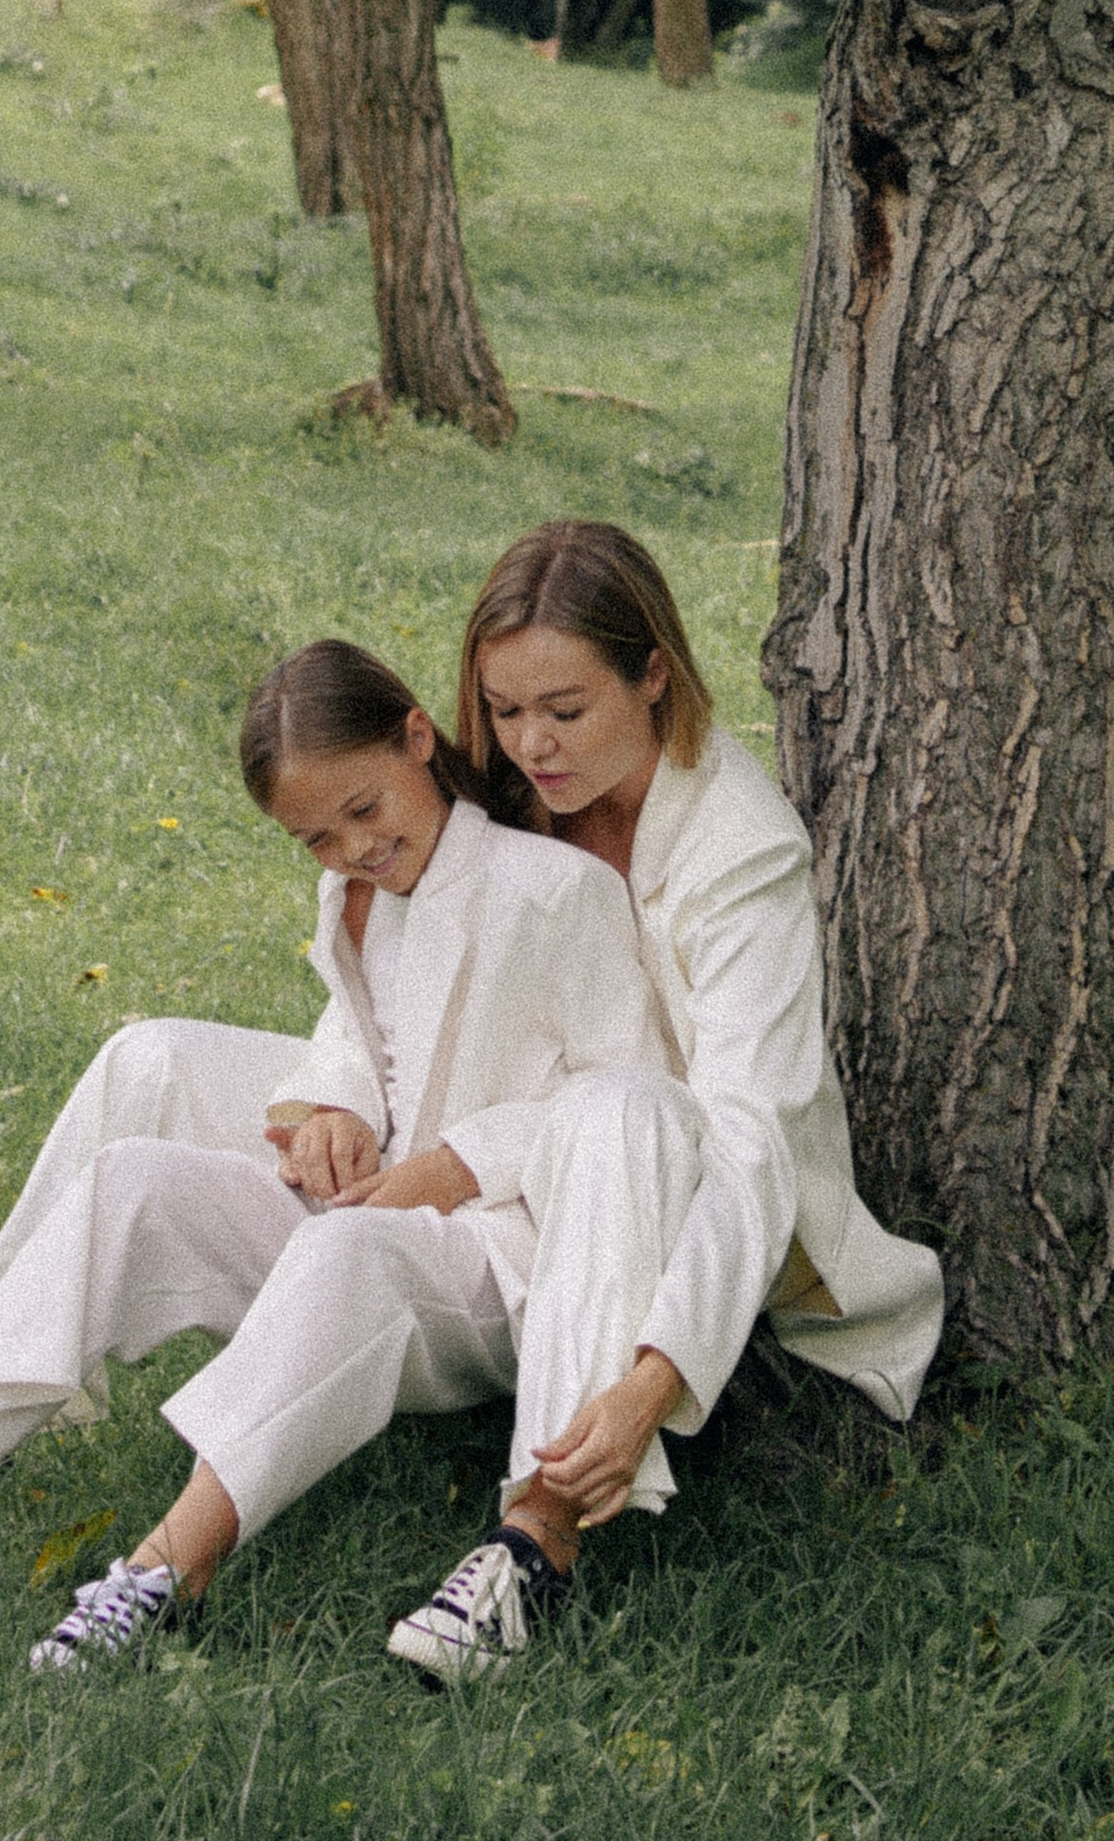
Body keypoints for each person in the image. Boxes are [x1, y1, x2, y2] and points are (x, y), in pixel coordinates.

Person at [0, 640, 686, 1675]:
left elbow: (630, 1103)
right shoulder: (354, 892)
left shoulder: (557, 892)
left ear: (417, 739)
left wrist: (456, 1163)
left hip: (503, 1258)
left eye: (364, 810)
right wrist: (335, 1107)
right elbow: (356, 1028)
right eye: (316, 838)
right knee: (133, 1179)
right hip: (378, 1197)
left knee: (347, 1251)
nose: (353, 847)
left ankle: (165, 1572)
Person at [387, 520, 942, 1660]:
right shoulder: (503, 805)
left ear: (653, 675)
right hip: (505, 1148)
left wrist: (654, 1382)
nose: (530, 743)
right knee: (156, 1065)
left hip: (696, 1195)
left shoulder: (740, 850)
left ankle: (530, 1548)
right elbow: (381, 951)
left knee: (619, 1111)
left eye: (565, 708)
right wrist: (324, 1101)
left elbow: (752, 1138)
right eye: (503, 708)